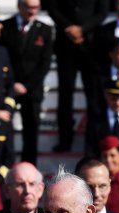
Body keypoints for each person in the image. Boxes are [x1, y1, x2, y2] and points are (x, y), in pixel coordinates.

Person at [48, 0, 109, 152]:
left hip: (90, 46)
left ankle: (92, 142)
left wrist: (82, 29)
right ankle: (65, 140)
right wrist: (69, 28)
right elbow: (52, 8)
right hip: (65, 45)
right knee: (65, 95)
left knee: (93, 97)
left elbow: (102, 13)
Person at [0, 0, 54, 165]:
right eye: (28, 7)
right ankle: (3, 164)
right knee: (3, 127)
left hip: (32, 90)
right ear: (19, 6)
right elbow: (2, 59)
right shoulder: (4, 27)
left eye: (35, 8)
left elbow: (45, 63)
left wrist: (27, 86)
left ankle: (28, 167)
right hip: (9, 88)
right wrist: (12, 83)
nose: (32, 11)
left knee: (31, 132)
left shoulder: (45, 30)